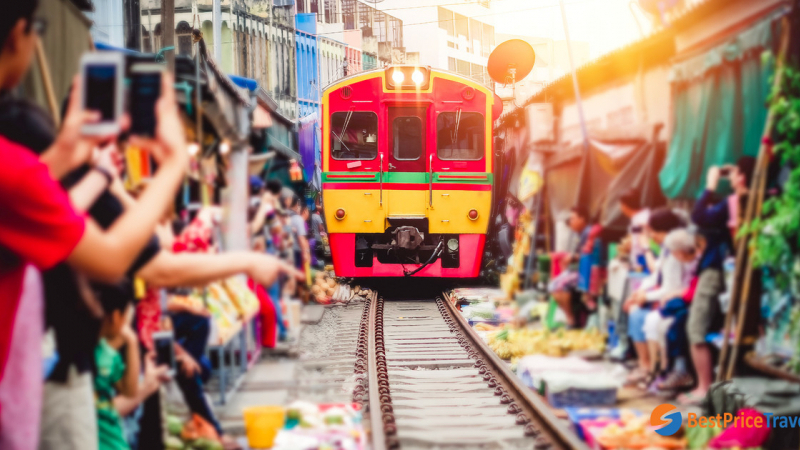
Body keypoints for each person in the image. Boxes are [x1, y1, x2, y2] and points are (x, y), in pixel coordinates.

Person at [0, 4, 188, 447]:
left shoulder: (19, 170)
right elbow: (111, 257)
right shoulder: (14, 166)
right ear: (18, 34)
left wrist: (66, 155)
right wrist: (174, 164)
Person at [678, 157, 754, 404]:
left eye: (735, 173)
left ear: (742, 177)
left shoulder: (732, 203)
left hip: (717, 271)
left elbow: (699, 216)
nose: (730, 177)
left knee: (696, 328)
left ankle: (704, 388)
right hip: (743, 276)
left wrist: (710, 185)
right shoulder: (762, 199)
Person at [623, 208, 685, 387]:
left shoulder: (674, 251)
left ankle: (659, 370)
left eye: (653, 231)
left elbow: (671, 286)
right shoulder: (666, 249)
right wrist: (638, 294)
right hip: (664, 296)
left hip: (674, 299)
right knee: (636, 313)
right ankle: (646, 366)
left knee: (650, 319)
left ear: (664, 231)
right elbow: (656, 275)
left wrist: (646, 296)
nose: (651, 235)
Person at [548, 206, 592, 327]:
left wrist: (573, 257)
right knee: (553, 286)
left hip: (586, 273)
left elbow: (589, 255)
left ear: (582, 219)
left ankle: (571, 320)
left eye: (573, 218)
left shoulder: (588, 233)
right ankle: (570, 318)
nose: (570, 222)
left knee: (560, 285)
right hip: (577, 270)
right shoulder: (579, 234)